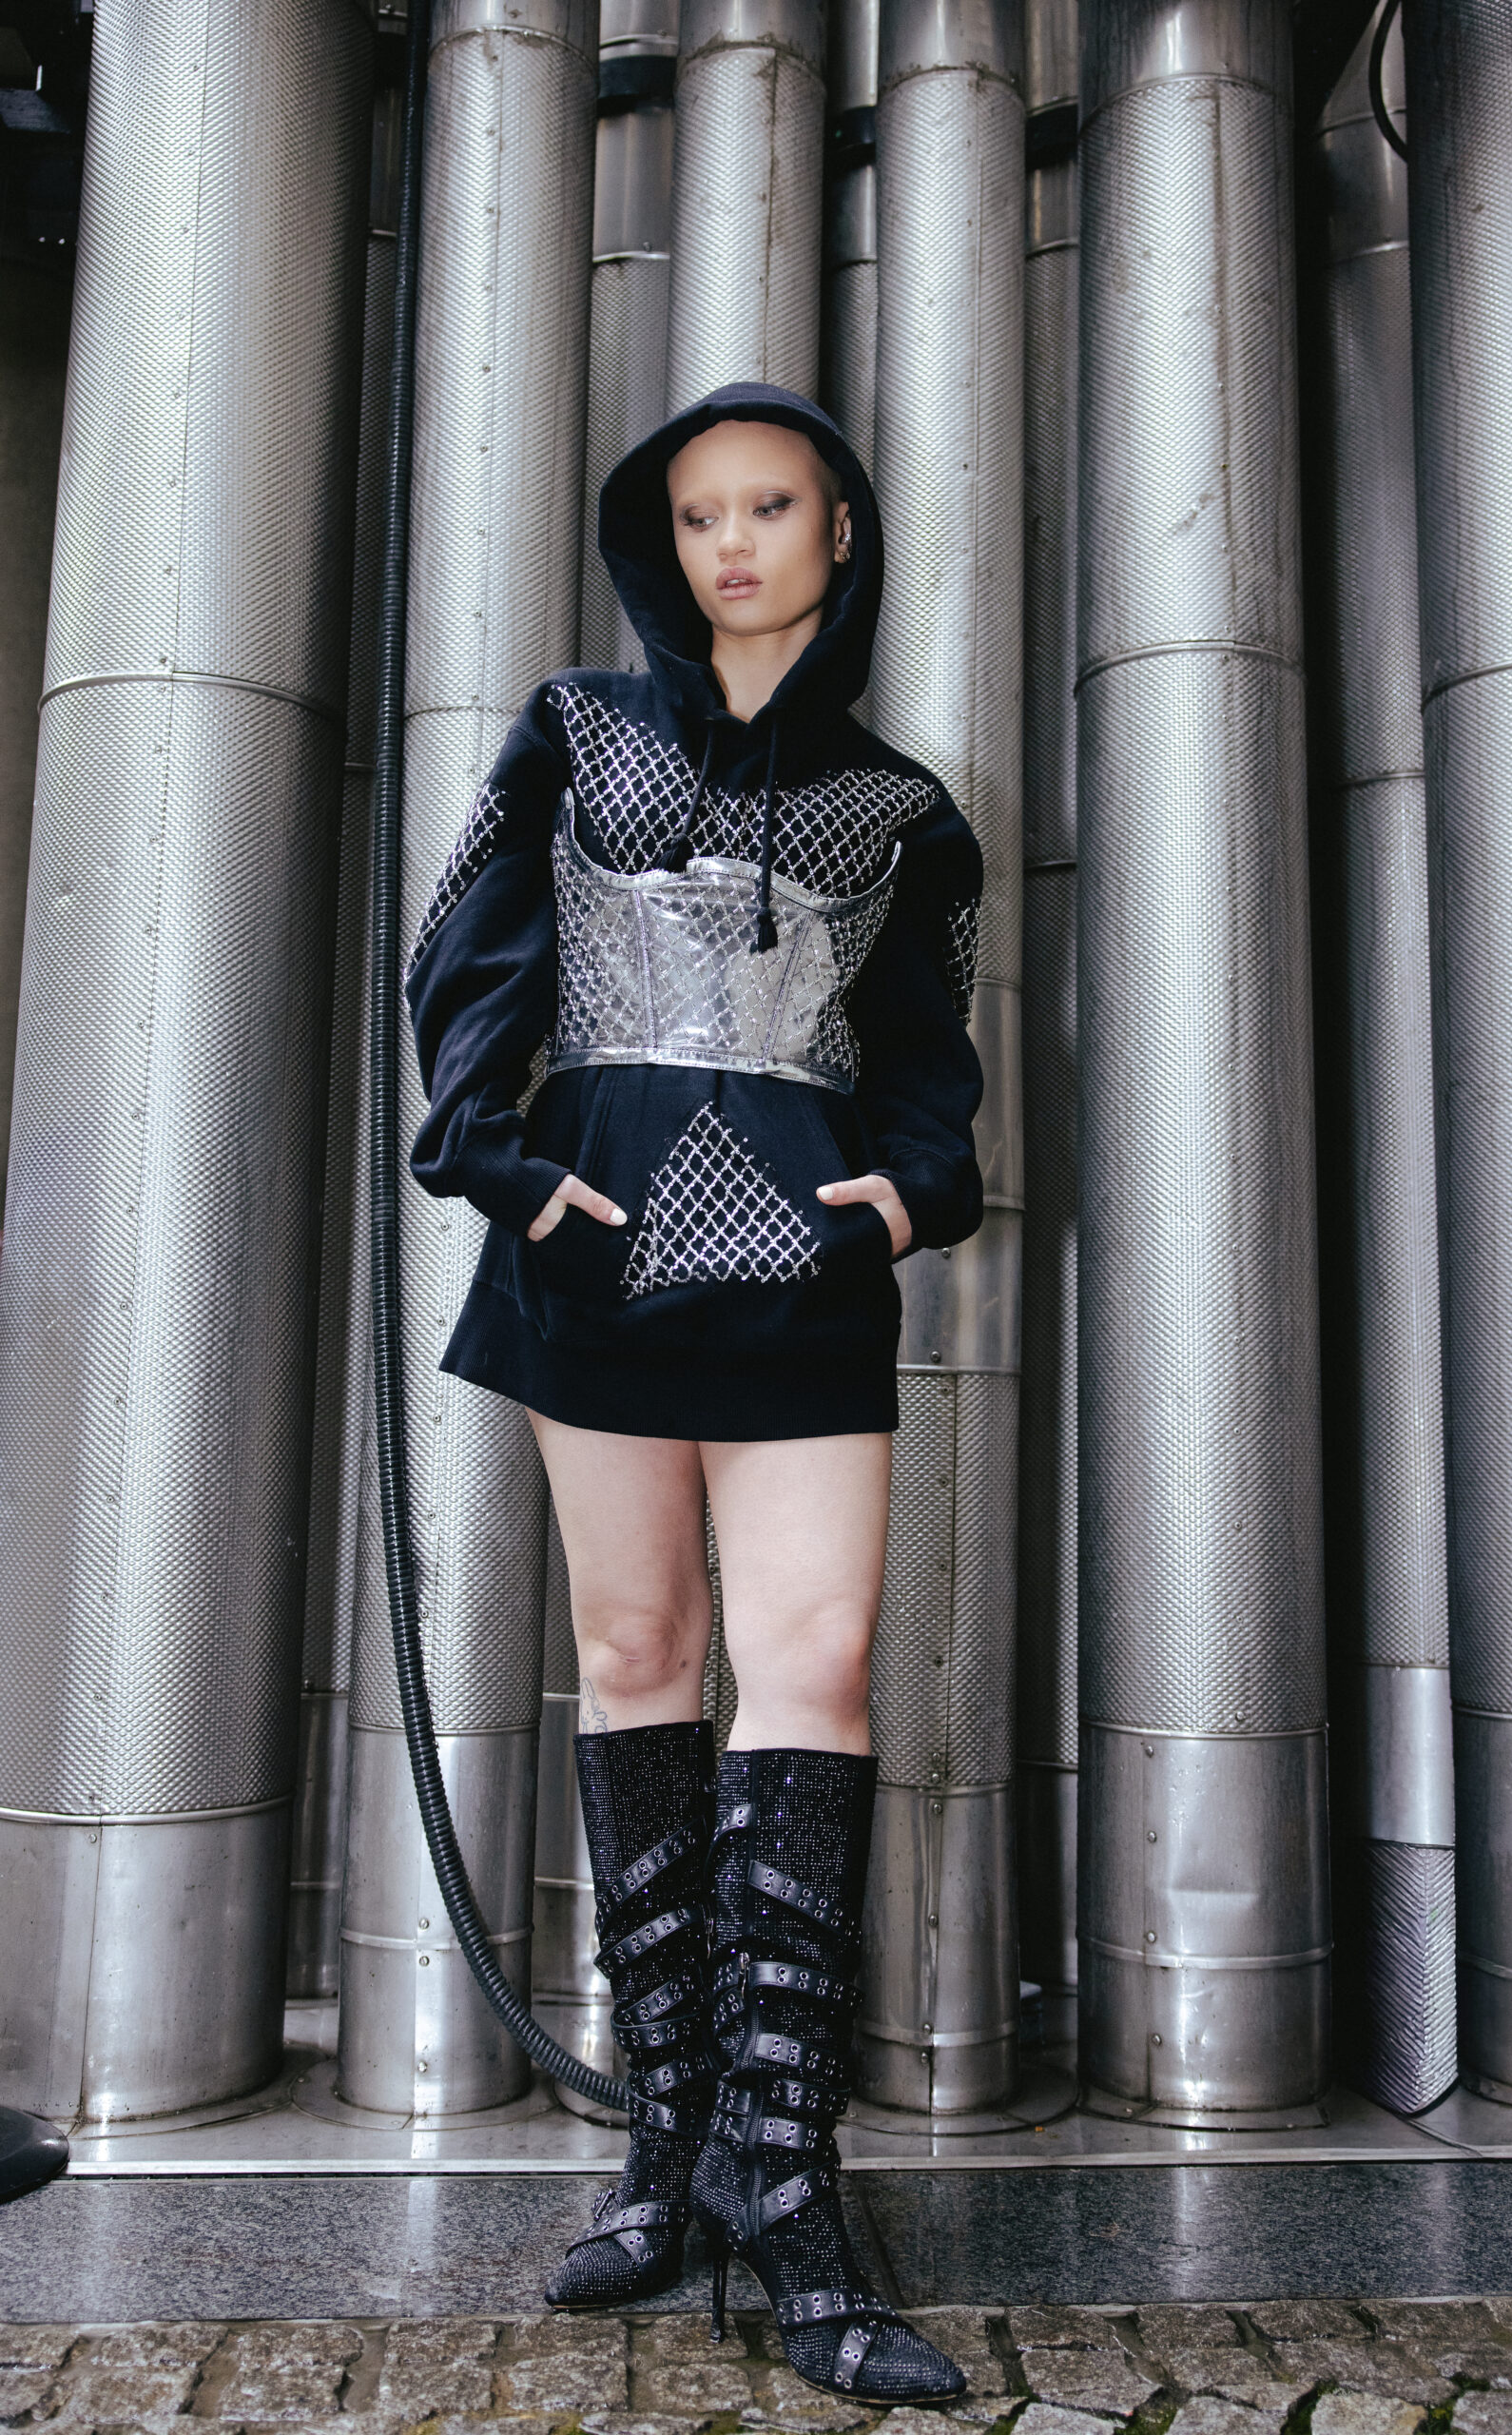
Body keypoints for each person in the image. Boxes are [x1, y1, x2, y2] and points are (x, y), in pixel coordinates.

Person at [406, 384, 983, 2402]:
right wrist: (499, 1161)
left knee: (812, 1663)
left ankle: (785, 2173)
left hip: (804, 1277)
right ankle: (671, 2146)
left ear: (840, 527)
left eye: (770, 506)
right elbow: (466, 947)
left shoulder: (900, 806)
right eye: (698, 512)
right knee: (635, 1649)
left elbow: (930, 1042)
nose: (732, 542)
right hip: (596, 1245)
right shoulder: (578, 728)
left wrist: (911, 1194)